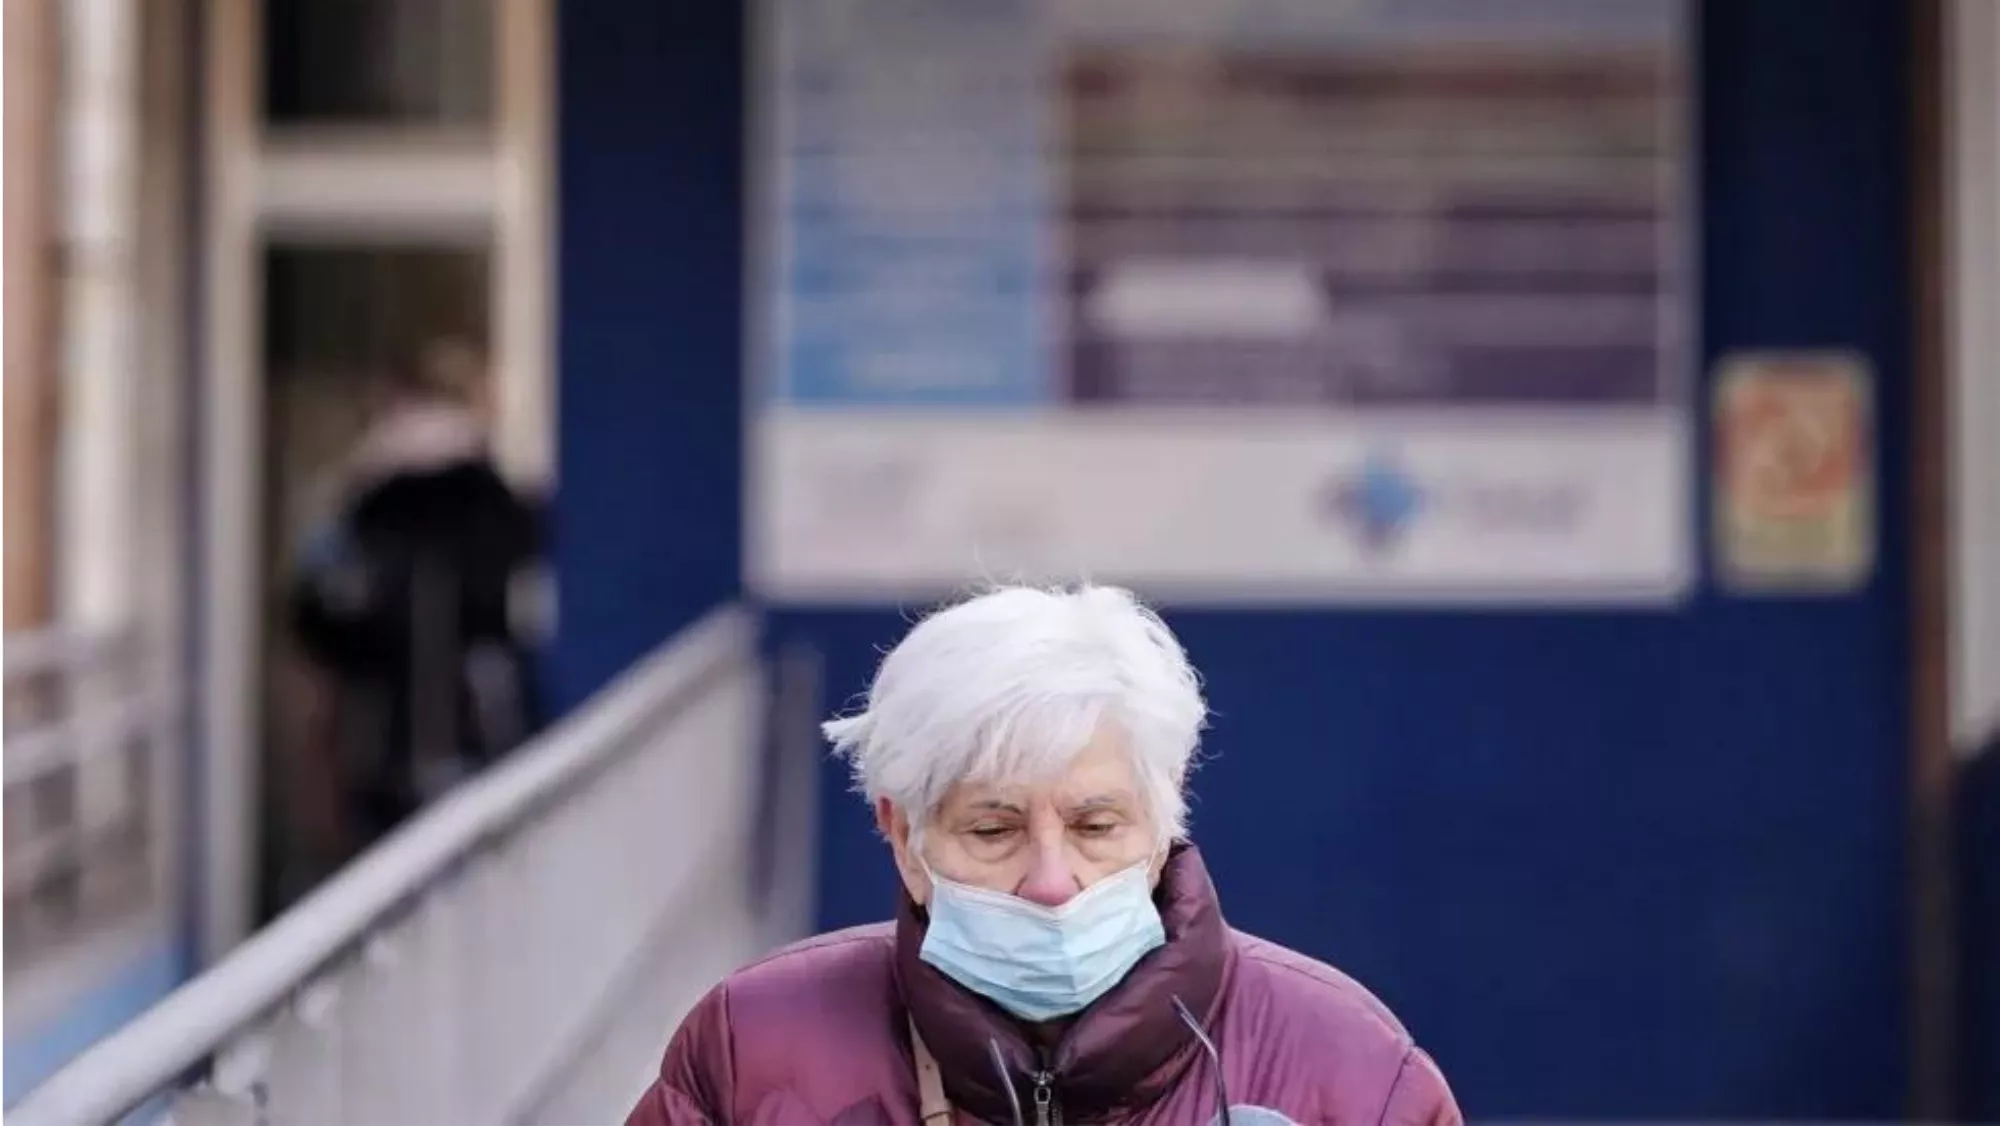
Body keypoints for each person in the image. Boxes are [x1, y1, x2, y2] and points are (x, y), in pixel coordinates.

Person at [626, 584, 1461, 1125]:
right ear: (902, 837)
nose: (1054, 883)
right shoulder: (753, 1052)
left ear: (1164, 817)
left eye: (1096, 826)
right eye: (993, 831)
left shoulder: (1350, 1074)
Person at [287, 339, 548, 858]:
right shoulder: (368, 509)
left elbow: (319, 621)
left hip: (437, 739)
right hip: (402, 745)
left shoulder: (464, 505)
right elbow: (319, 618)